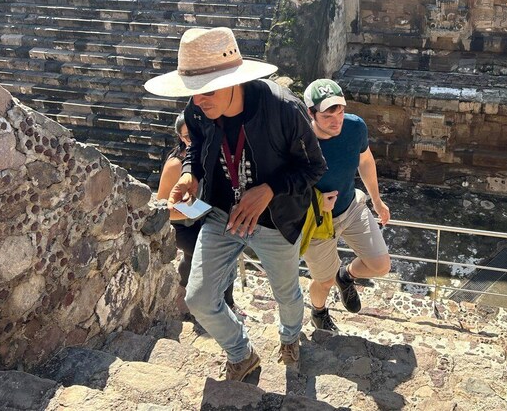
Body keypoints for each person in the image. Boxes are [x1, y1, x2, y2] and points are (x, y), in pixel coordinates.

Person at [145, 26, 327, 382]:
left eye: (206, 91)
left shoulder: (283, 109)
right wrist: (190, 173)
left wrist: (270, 189)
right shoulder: (199, 106)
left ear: (234, 81)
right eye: (192, 92)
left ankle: (290, 338)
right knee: (198, 298)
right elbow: (196, 144)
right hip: (220, 212)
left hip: (274, 219)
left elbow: (314, 166)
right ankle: (241, 353)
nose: (197, 101)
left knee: (286, 293)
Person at [301, 78, 391, 333]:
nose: (337, 120)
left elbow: (365, 160)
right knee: (324, 280)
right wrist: (316, 201)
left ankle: (347, 275)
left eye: (340, 111)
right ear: (311, 113)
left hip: (350, 207)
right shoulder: (299, 142)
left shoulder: (354, 127)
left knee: (381, 265)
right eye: (328, 114)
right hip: (317, 220)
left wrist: (377, 199)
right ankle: (319, 312)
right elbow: (284, 188)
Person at [156, 113, 235, 314]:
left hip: (205, 218)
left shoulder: (210, 154)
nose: (193, 139)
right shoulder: (176, 164)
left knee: (196, 260)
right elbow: (162, 207)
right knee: (214, 259)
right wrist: (192, 211)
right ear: (180, 138)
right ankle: (217, 307)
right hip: (184, 226)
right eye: (187, 136)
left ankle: (188, 297)